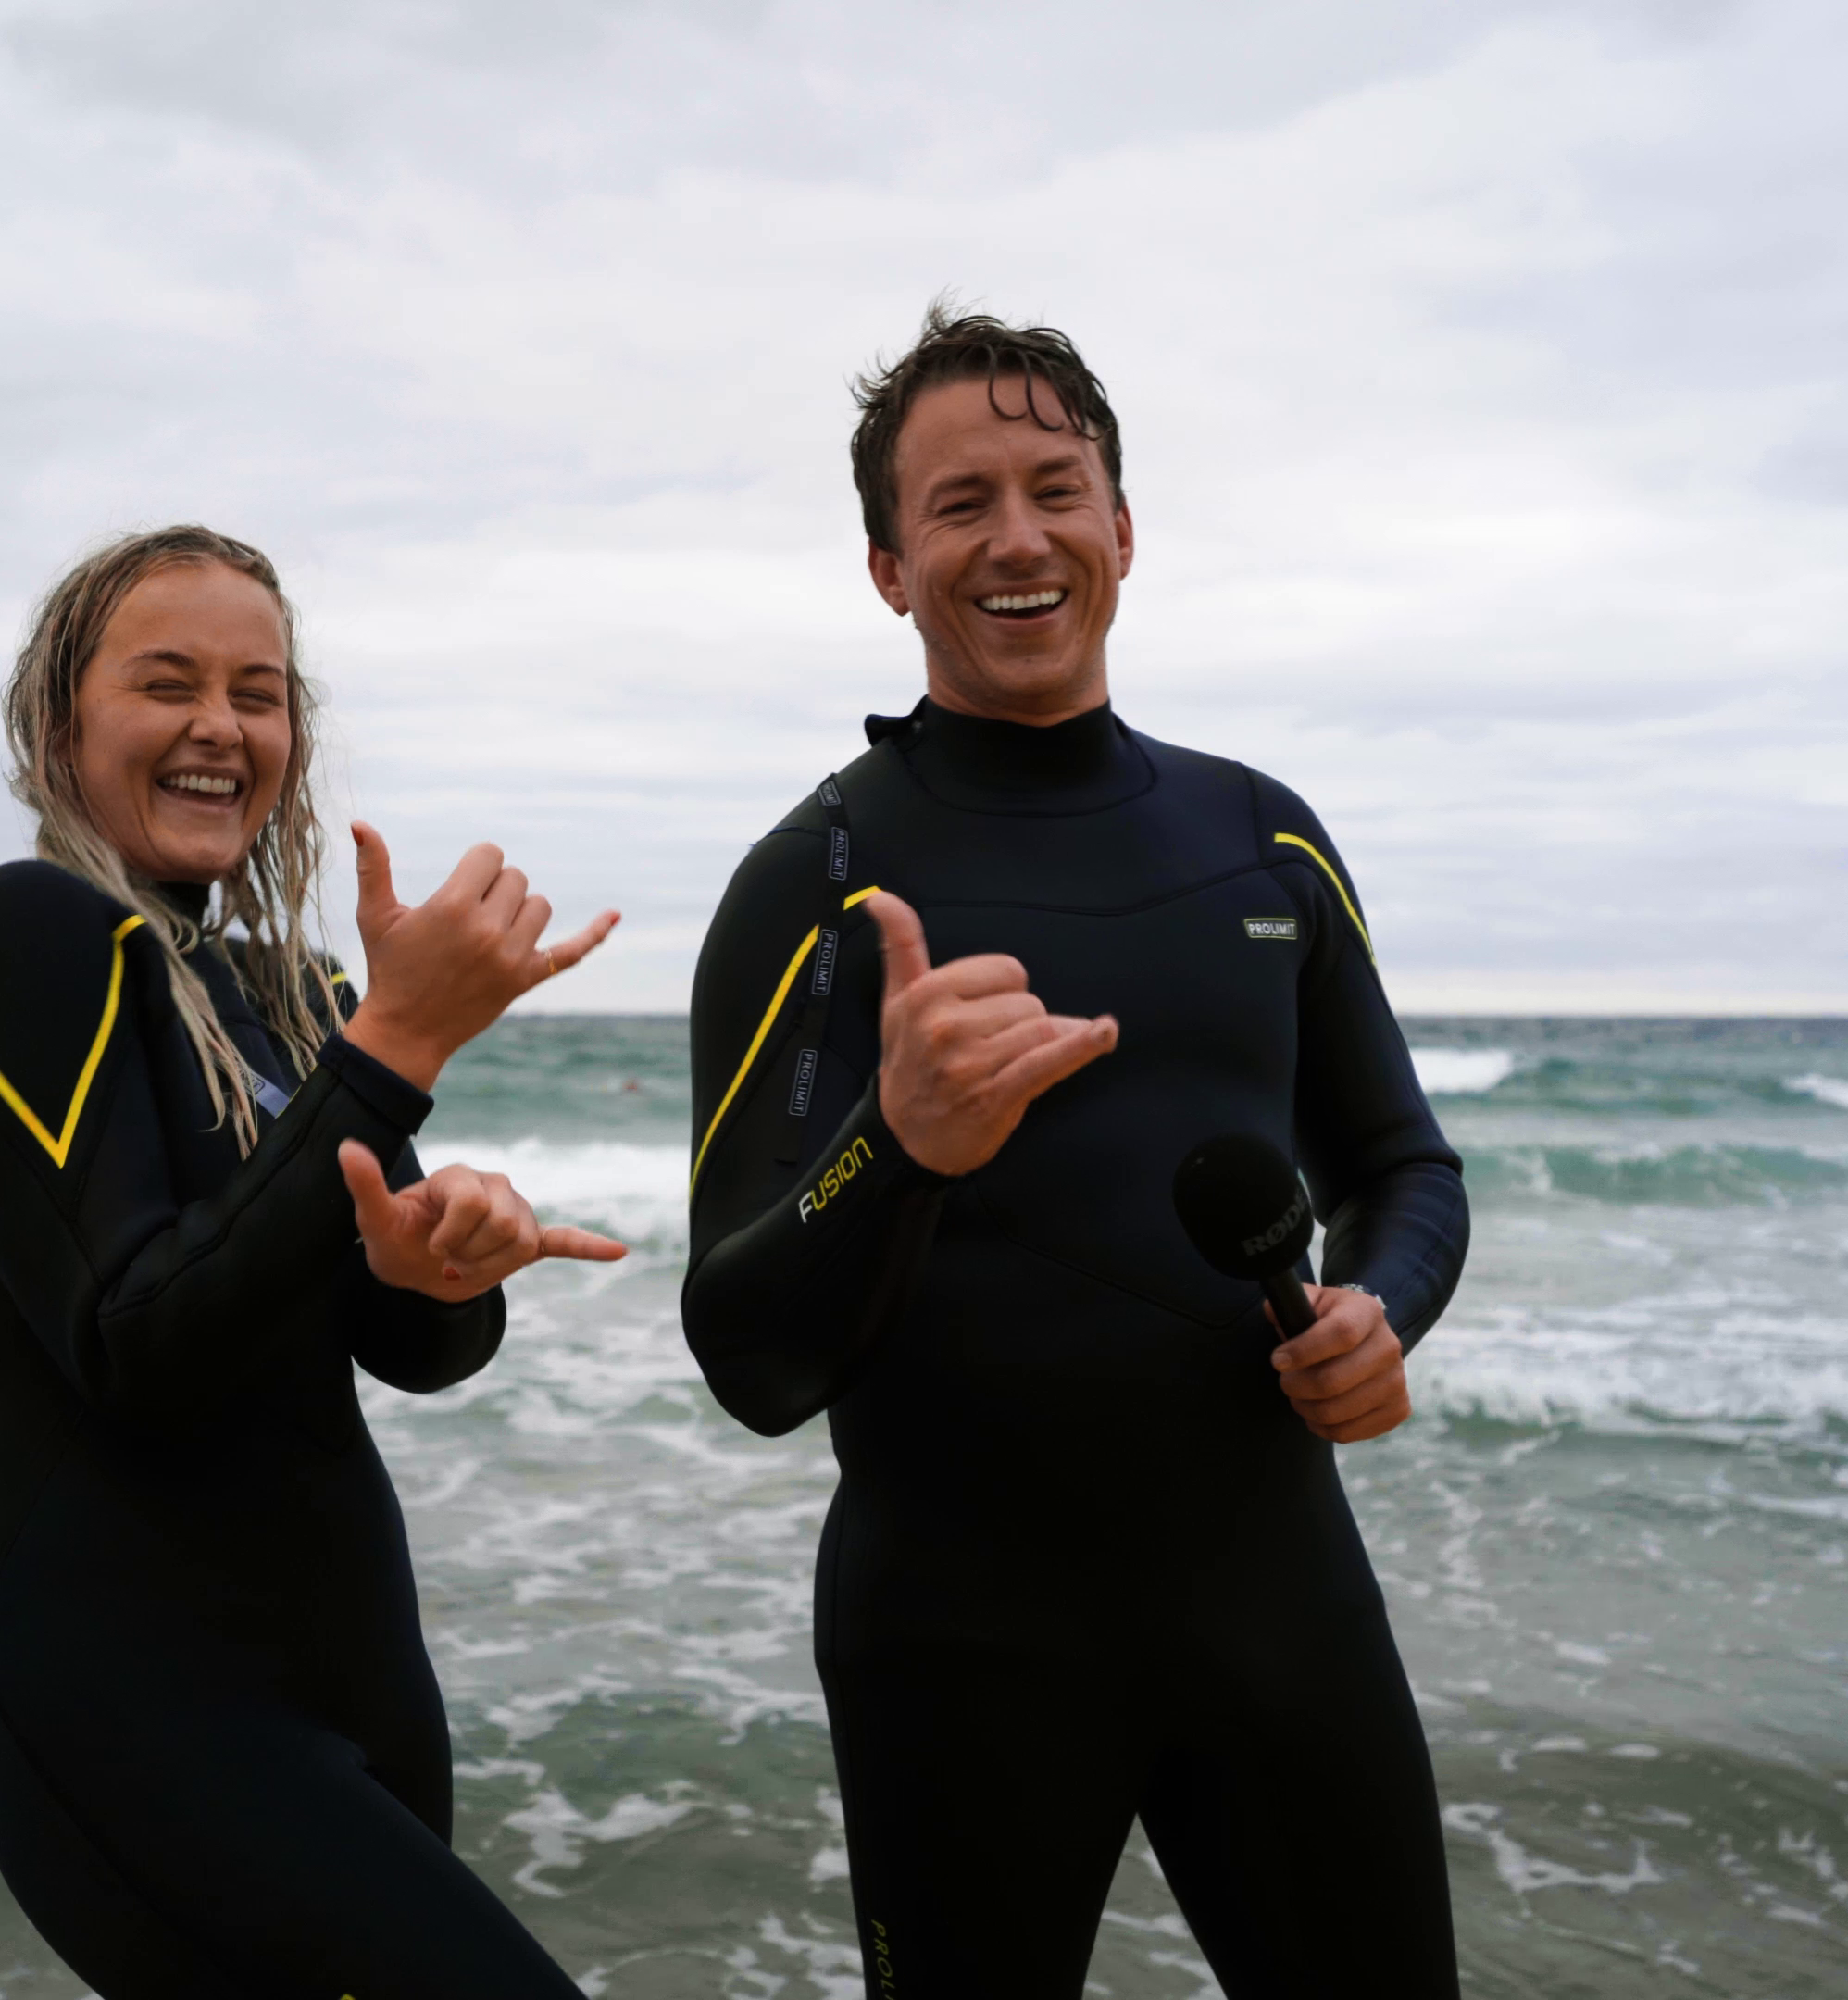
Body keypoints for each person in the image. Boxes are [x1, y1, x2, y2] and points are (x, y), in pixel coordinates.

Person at [681, 309, 1471, 1995]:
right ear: (891, 568)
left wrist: (1384, 1315)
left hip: (1279, 1609)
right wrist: (897, 1142)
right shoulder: (818, 878)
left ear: (1124, 529)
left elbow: (1407, 1168)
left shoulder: (1260, 835)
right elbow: (746, 1349)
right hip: (959, 1644)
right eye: (961, 505)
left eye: (1058, 489)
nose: (1019, 538)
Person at [0, 526, 617, 1996]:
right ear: (56, 723)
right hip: (143, 1709)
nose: (222, 725)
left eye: (260, 692)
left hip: (354, 1680)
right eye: (169, 683)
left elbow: (413, 1352)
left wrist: (447, 1265)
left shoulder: (287, 992)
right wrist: (398, 1046)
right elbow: (136, 1347)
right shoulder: (24, 934)